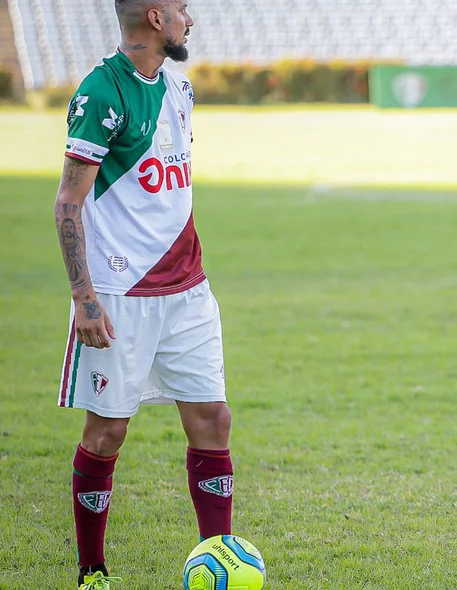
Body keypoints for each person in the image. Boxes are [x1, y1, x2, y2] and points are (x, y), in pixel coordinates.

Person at [54, 2, 235, 588]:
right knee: (107, 432)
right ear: (156, 18)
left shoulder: (179, 87)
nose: (191, 18)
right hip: (120, 294)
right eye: (183, 8)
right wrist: (85, 298)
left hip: (188, 289)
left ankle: (220, 560)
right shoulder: (102, 92)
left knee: (212, 418)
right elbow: (68, 203)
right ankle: (92, 571)